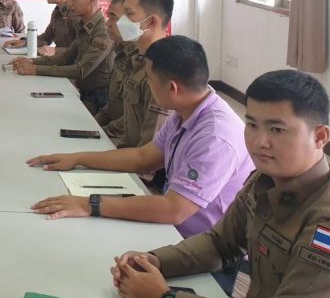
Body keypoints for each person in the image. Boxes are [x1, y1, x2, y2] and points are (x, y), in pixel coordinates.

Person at [113, 70, 330, 298]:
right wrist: (154, 260)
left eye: (277, 129)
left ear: (320, 136)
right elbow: (220, 243)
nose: (259, 142)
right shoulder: (265, 180)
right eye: (252, 125)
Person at [27, 36, 254, 239]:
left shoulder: (215, 137)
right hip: (172, 229)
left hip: (202, 246)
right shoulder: (186, 111)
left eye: (149, 79)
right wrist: (78, 158)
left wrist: (90, 204)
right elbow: (143, 158)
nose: (148, 84)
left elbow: (174, 210)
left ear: (172, 88)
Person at [6, 0, 115, 111]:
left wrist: (35, 69)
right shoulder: (85, 25)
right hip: (81, 89)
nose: (70, 3)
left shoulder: (103, 30)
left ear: (91, 0)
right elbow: (66, 57)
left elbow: (80, 70)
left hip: (98, 97)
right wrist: (31, 61)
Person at [100, 0, 173, 149]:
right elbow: (130, 120)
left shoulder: (161, 72)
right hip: (125, 151)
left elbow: (149, 153)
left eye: (129, 14)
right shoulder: (136, 60)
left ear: (151, 22)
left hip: (137, 162)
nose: (120, 21)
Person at [7, 0, 77, 54]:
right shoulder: (58, 11)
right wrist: (25, 42)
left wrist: (55, 51)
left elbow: (83, 50)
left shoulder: (76, 13)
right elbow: (47, 38)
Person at [93, 0, 130, 131]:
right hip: (111, 129)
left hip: (122, 138)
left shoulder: (147, 63)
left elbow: (134, 120)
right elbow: (111, 107)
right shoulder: (121, 55)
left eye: (113, 17)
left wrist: (102, 131)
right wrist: (92, 125)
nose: (108, 24)